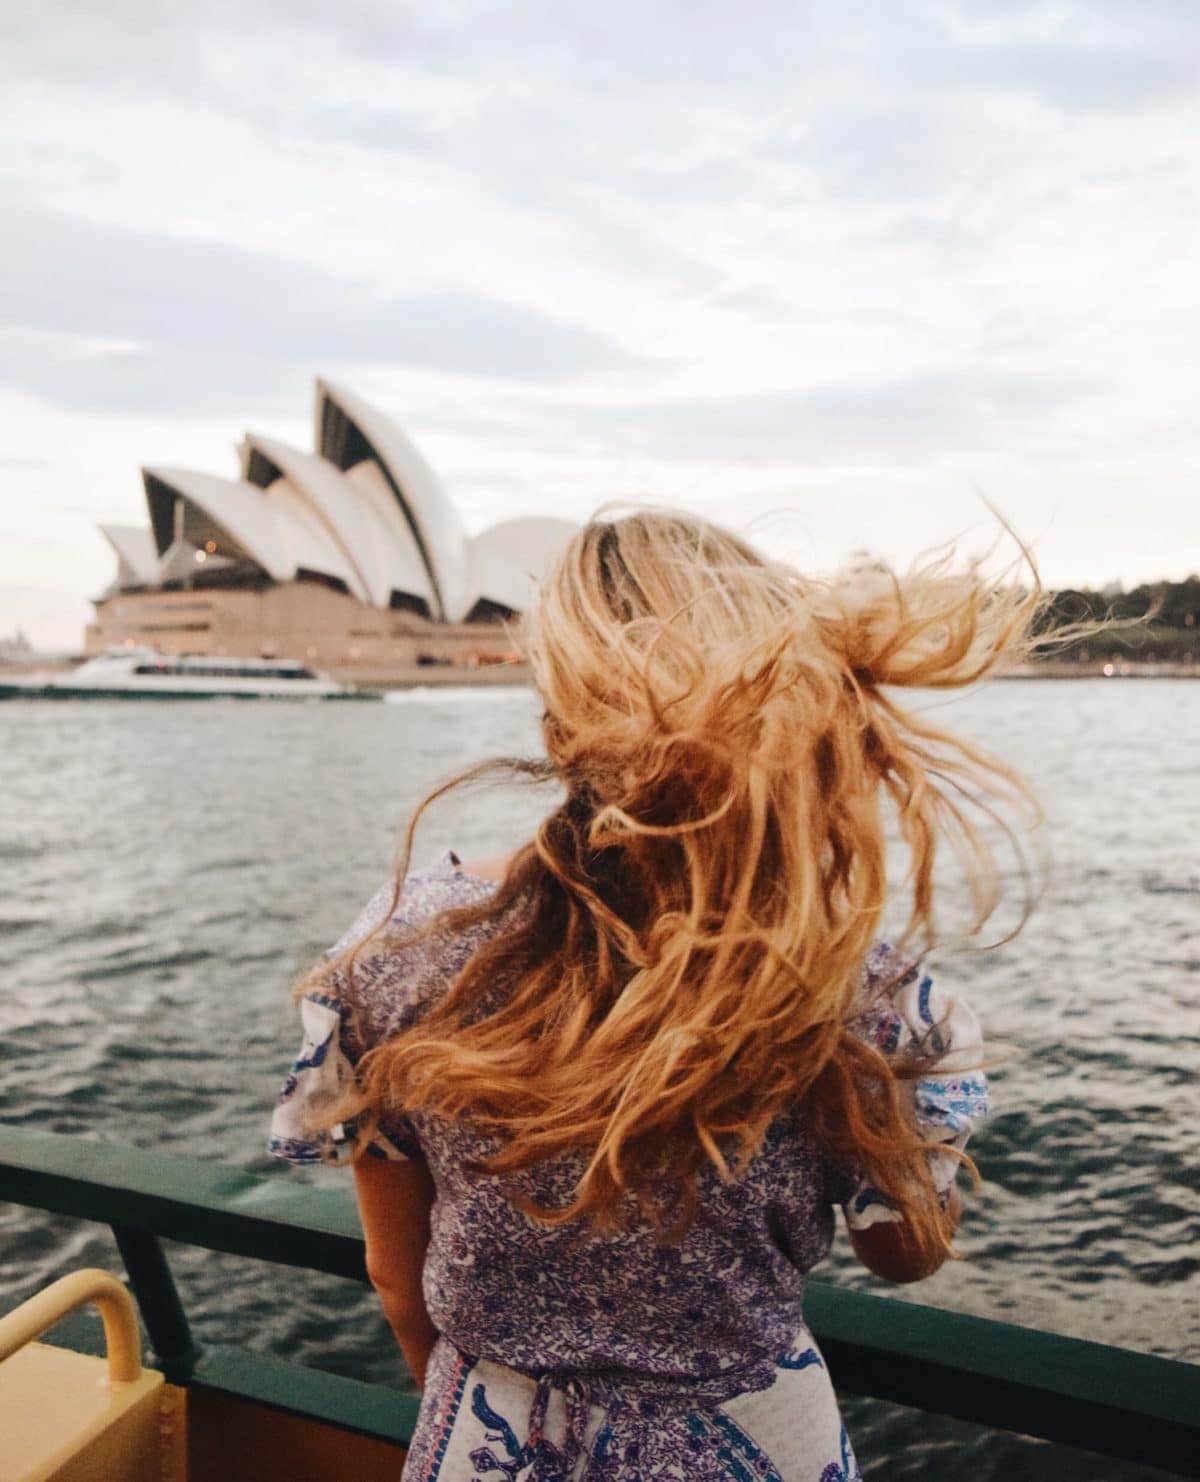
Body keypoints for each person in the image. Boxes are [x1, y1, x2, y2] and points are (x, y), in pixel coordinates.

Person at [268, 509, 1046, 1480]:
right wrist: (933, 1092)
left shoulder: (402, 947)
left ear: (556, 724)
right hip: (760, 1447)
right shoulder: (844, 978)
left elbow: (396, 1274)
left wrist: (482, 1411)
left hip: (495, 1438)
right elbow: (902, 1253)